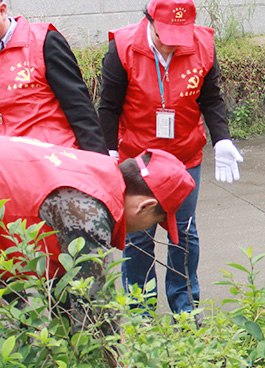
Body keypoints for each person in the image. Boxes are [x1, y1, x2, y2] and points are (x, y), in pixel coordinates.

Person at [98, 0, 243, 314]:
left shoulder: (203, 46)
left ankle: (186, 309)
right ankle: (140, 313)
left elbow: (211, 98)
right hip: (138, 160)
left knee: (184, 232)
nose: (172, 42)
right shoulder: (123, 48)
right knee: (139, 236)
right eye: (165, 34)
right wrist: (106, 153)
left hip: (183, 157)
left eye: (180, 35)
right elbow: (108, 106)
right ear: (148, 21)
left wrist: (222, 139)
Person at [0, 135, 195, 329]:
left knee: (16, 321)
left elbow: (66, 289)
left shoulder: (98, 168)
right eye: (158, 220)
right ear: (144, 207)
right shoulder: (89, 212)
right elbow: (93, 314)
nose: (148, 228)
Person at [0, 0, 106, 153]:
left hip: (53, 159)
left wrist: (100, 164)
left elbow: (79, 107)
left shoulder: (44, 42)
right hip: (9, 164)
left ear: (3, 11)